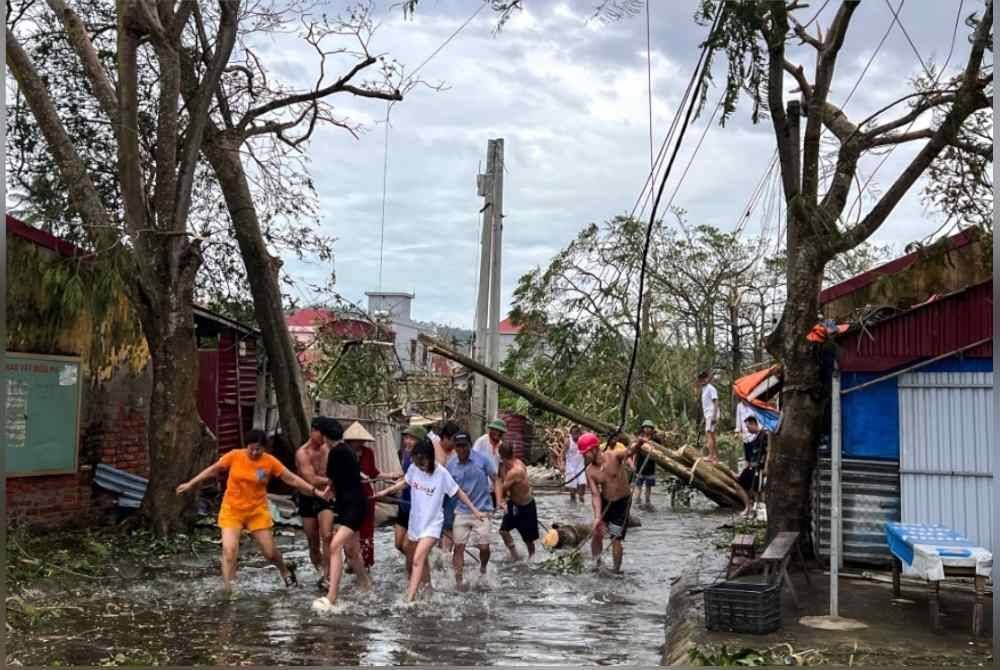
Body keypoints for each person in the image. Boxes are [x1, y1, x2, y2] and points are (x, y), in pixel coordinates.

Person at [176, 429, 330, 591]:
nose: (255, 452)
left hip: (257, 512)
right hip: (232, 510)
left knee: (270, 553)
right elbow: (213, 469)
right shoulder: (234, 456)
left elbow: (291, 478)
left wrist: (315, 491)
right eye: (251, 448)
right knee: (229, 551)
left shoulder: (270, 462)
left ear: (264, 448)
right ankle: (230, 589)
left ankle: (285, 570)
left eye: (259, 449)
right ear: (246, 446)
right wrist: (191, 483)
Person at [373, 438, 486, 601]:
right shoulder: (413, 468)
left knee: (418, 559)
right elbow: (404, 482)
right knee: (417, 558)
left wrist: (475, 511)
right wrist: (384, 493)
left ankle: (409, 599)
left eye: (423, 461)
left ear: (430, 457)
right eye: (417, 461)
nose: (421, 465)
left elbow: (458, 492)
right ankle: (428, 591)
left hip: (433, 526)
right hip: (415, 523)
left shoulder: (441, 473)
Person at [318, 417, 372, 608]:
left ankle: (331, 597)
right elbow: (343, 477)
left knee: (334, 547)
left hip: (353, 507)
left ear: (325, 436)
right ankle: (365, 584)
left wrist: (326, 490)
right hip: (348, 505)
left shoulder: (336, 453)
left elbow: (331, 479)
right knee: (352, 550)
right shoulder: (347, 451)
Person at [446, 431, 500, 589]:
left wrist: (499, 501)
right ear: (454, 447)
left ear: (470, 445)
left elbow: (496, 480)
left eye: (464, 446)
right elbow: (447, 489)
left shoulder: (482, 460)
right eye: (458, 446)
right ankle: (459, 581)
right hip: (461, 511)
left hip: (482, 510)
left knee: (484, 546)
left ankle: (483, 567)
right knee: (459, 547)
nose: (461, 449)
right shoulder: (451, 464)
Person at [579, 431, 639, 573]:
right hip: (606, 500)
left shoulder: (613, 456)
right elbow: (595, 495)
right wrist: (597, 517)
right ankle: (596, 565)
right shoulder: (590, 471)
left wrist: (639, 443)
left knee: (615, 537)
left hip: (622, 503)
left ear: (594, 449)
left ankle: (616, 571)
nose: (584, 456)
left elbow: (629, 451)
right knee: (597, 532)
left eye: (585, 453)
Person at [295, 417, 337, 589]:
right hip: (307, 498)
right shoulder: (302, 453)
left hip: (325, 497)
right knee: (312, 540)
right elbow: (310, 478)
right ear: (313, 431)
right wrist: (333, 480)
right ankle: (319, 569)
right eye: (322, 434)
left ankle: (327, 575)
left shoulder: (328, 448)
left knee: (327, 535)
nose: (324, 438)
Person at [344, 421, 388, 569]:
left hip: (366, 496)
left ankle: (366, 563)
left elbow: (374, 473)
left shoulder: (368, 453)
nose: (361, 442)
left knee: (367, 530)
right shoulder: (343, 453)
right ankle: (350, 560)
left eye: (362, 440)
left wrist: (391, 476)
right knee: (349, 531)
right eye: (358, 440)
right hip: (349, 496)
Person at [497, 442, 539, 560]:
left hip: (526, 506)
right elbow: (502, 481)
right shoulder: (508, 465)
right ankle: (515, 555)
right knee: (503, 531)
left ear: (502, 456)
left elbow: (503, 489)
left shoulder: (516, 470)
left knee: (528, 539)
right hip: (514, 503)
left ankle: (532, 558)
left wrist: (501, 501)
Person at [394, 425, 427, 577]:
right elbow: (406, 476)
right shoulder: (405, 455)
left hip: (417, 509)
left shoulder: (424, 461)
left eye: (411, 438)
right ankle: (419, 561)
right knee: (398, 544)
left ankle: (412, 578)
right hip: (404, 505)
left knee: (408, 546)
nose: (407, 441)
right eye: (406, 437)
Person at [436, 421, 462, 552]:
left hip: (451, 493)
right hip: (434, 493)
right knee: (434, 524)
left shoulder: (457, 451)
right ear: (445, 437)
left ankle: (445, 555)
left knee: (449, 525)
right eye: (453, 440)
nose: (454, 444)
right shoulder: (432, 446)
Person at [737, 415, 769, 517]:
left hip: (758, 467)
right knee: (740, 484)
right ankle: (749, 507)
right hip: (752, 466)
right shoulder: (756, 436)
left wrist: (766, 467)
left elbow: (768, 452)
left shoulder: (764, 435)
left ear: (754, 424)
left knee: (756, 489)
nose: (747, 429)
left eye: (748, 427)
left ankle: (751, 508)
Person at [633, 420, 658, 511]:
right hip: (640, 465)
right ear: (642, 428)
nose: (647, 429)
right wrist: (633, 463)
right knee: (638, 485)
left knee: (648, 486)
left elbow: (659, 453)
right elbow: (634, 452)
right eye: (645, 427)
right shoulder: (639, 439)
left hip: (650, 466)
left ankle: (647, 501)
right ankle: (637, 500)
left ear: (652, 429)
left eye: (649, 428)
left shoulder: (655, 439)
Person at [561, 425, 587, 504]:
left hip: (580, 466)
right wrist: (562, 465)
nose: (575, 435)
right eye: (573, 433)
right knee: (572, 490)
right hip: (570, 467)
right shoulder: (568, 442)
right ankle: (573, 506)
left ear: (579, 433)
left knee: (583, 483)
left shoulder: (582, 441)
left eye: (577, 433)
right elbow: (562, 455)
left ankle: (582, 501)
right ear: (571, 434)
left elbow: (586, 453)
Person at [698, 371, 720, 463]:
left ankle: (711, 456)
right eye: (701, 378)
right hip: (708, 414)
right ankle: (715, 456)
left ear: (708, 378)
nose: (703, 380)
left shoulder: (711, 388)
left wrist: (714, 416)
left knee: (708, 435)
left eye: (705, 378)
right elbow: (705, 405)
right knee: (712, 436)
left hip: (712, 413)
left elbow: (716, 402)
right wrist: (704, 418)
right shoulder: (704, 389)